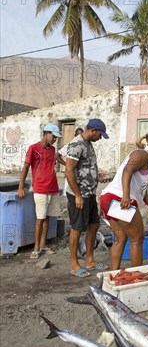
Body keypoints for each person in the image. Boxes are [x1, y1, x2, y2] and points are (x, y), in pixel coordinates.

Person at [100, 137, 148, 270]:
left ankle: (114, 273)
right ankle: (138, 275)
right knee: (137, 238)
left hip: (108, 198)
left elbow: (143, 194)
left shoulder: (145, 163)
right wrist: (126, 195)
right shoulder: (142, 154)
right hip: (119, 198)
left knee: (120, 238)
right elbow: (127, 170)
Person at [65, 118, 109, 278]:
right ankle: (74, 264)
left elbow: (86, 167)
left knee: (94, 225)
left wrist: (97, 176)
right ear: (92, 131)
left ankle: (89, 260)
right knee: (77, 228)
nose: (100, 138)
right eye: (99, 135)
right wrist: (77, 195)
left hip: (89, 193)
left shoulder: (88, 144)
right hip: (79, 195)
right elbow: (69, 171)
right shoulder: (76, 144)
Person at [17, 124, 62, 259]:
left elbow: (54, 164)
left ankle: (43, 245)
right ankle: (36, 248)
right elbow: (25, 167)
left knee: (48, 217)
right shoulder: (34, 148)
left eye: (56, 137)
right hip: (40, 188)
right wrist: (21, 187)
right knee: (40, 219)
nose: (54, 140)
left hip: (53, 188)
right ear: (46, 134)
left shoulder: (53, 149)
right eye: (53, 136)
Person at [56, 127, 84, 196]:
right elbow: (56, 155)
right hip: (71, 175)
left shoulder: (85, 147)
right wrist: (66, 164)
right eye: (78, 135)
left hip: (81, 177)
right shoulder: (70, 146)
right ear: (75, 135)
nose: (80, 138)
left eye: (81, 135)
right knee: (69, 196)